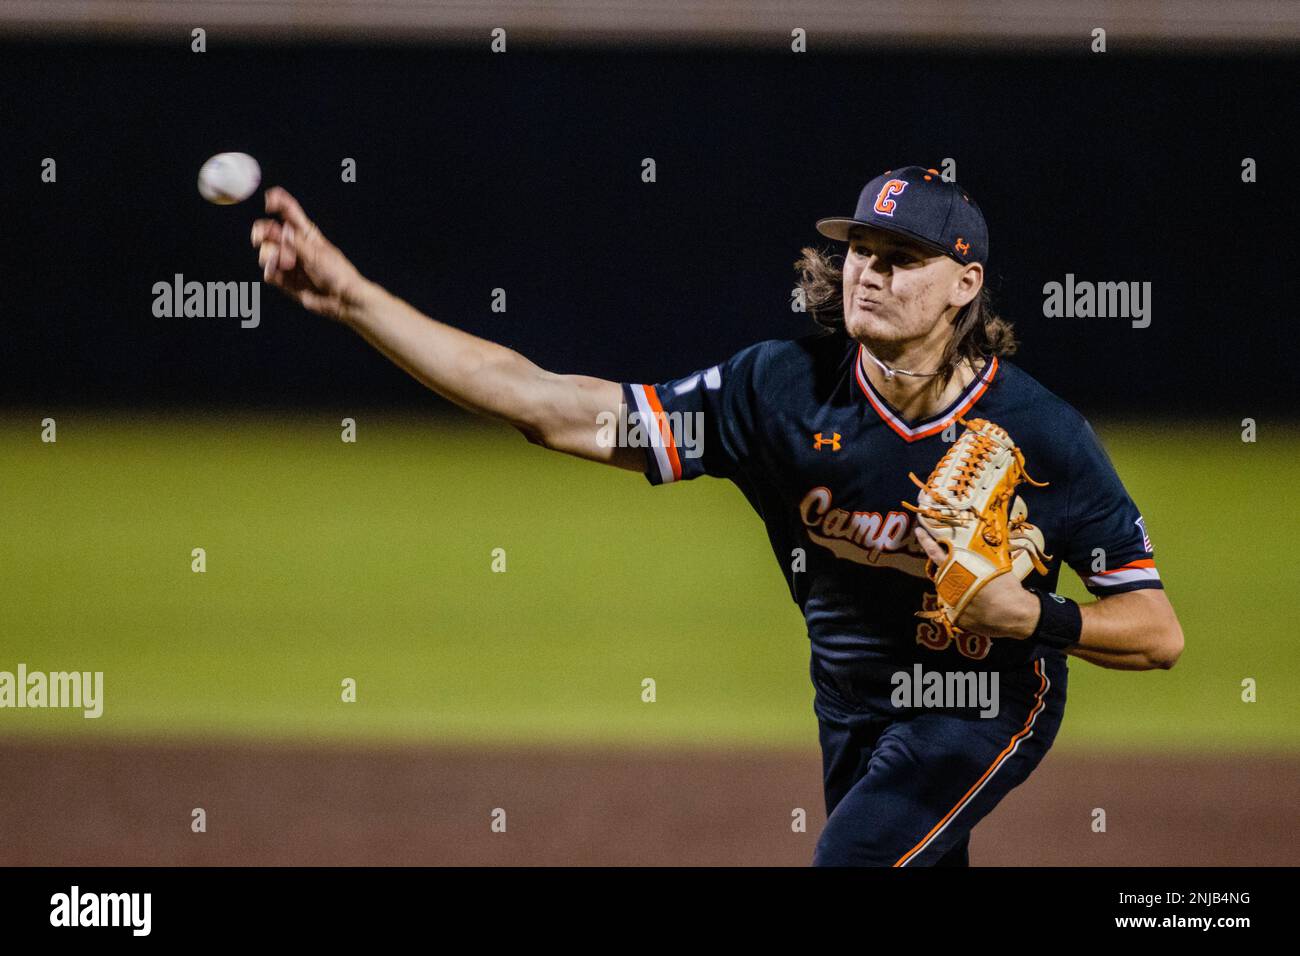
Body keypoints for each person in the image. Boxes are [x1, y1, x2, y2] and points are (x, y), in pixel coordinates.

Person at [250, 166, 1184, 865]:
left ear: (965, 286)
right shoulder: (777, 388)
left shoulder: (1040, 432)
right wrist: (355, 300)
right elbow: (549, 404)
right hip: (849, 705)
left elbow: (1157, 631)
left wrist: (1034, 618)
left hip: (981, 705)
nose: (870, 273)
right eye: (862, 250)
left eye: (904, 260)